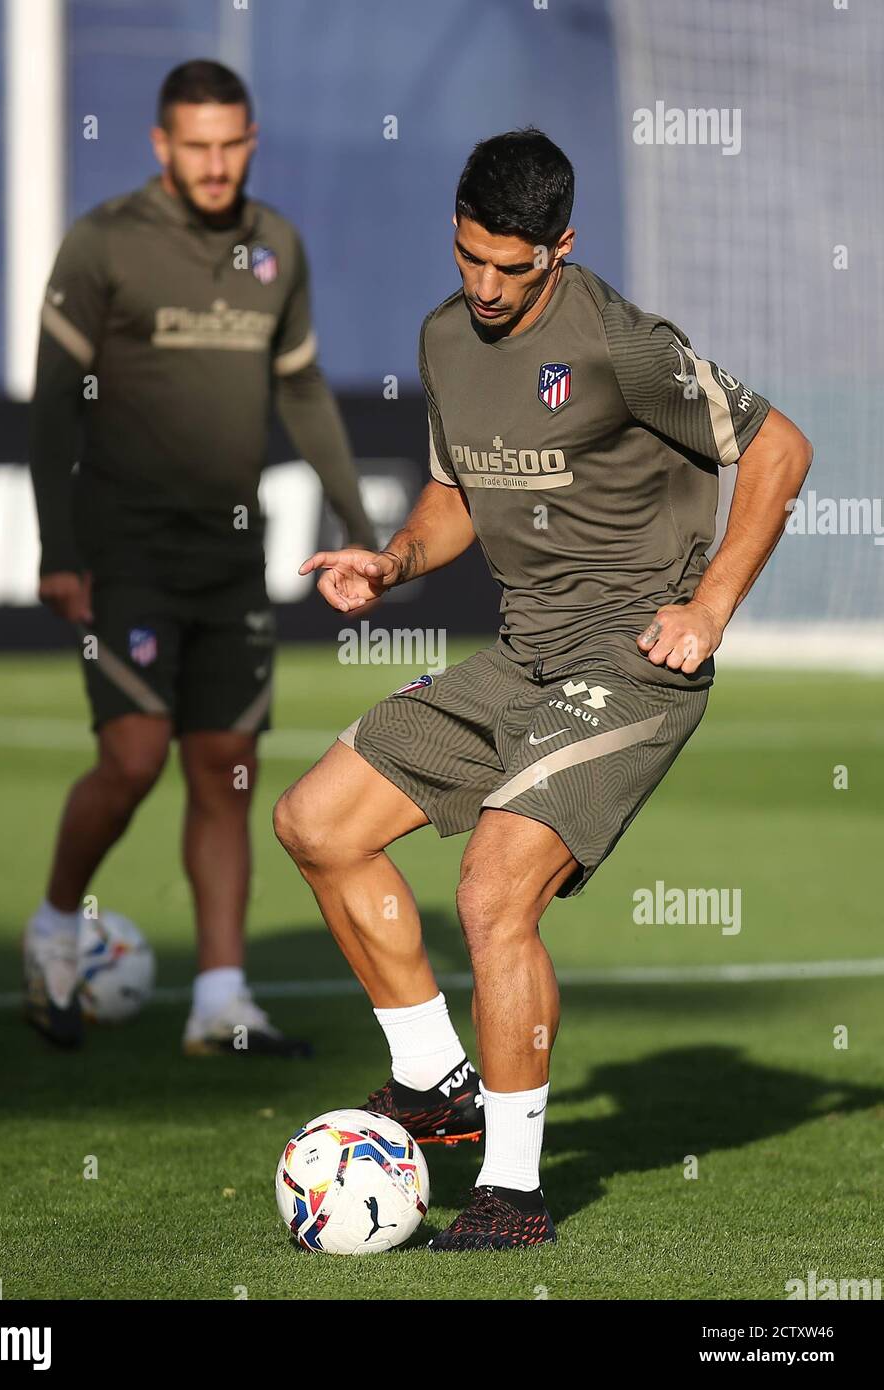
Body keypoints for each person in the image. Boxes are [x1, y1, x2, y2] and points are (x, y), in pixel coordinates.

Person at [273, 129, 812, 1249]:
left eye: (510, 268)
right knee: (316, 821)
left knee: (489, 892)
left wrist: (709, 606)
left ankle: (513, 1194)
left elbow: (780, 452)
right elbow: (454, 495)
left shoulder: (622, 343)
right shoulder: (443, 336)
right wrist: (392, 560)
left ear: (559, 248)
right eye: (469, 256)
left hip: (631, 666)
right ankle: (432, 1081)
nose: (484, 286)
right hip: (522, 656)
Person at [24, 60, 375, 1055]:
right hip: (125, 548)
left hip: (232, 558)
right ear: (161, 146)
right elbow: (54, 406)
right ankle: (55, 926)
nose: (215, 165)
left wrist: (357, 520)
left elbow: (302, 393)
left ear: (252, 142)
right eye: (196, 145)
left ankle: (220, 1001)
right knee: (133, 758)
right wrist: (59, 548)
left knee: (226, 769)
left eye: (232, 145)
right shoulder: (103, 245)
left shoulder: (279, 247)